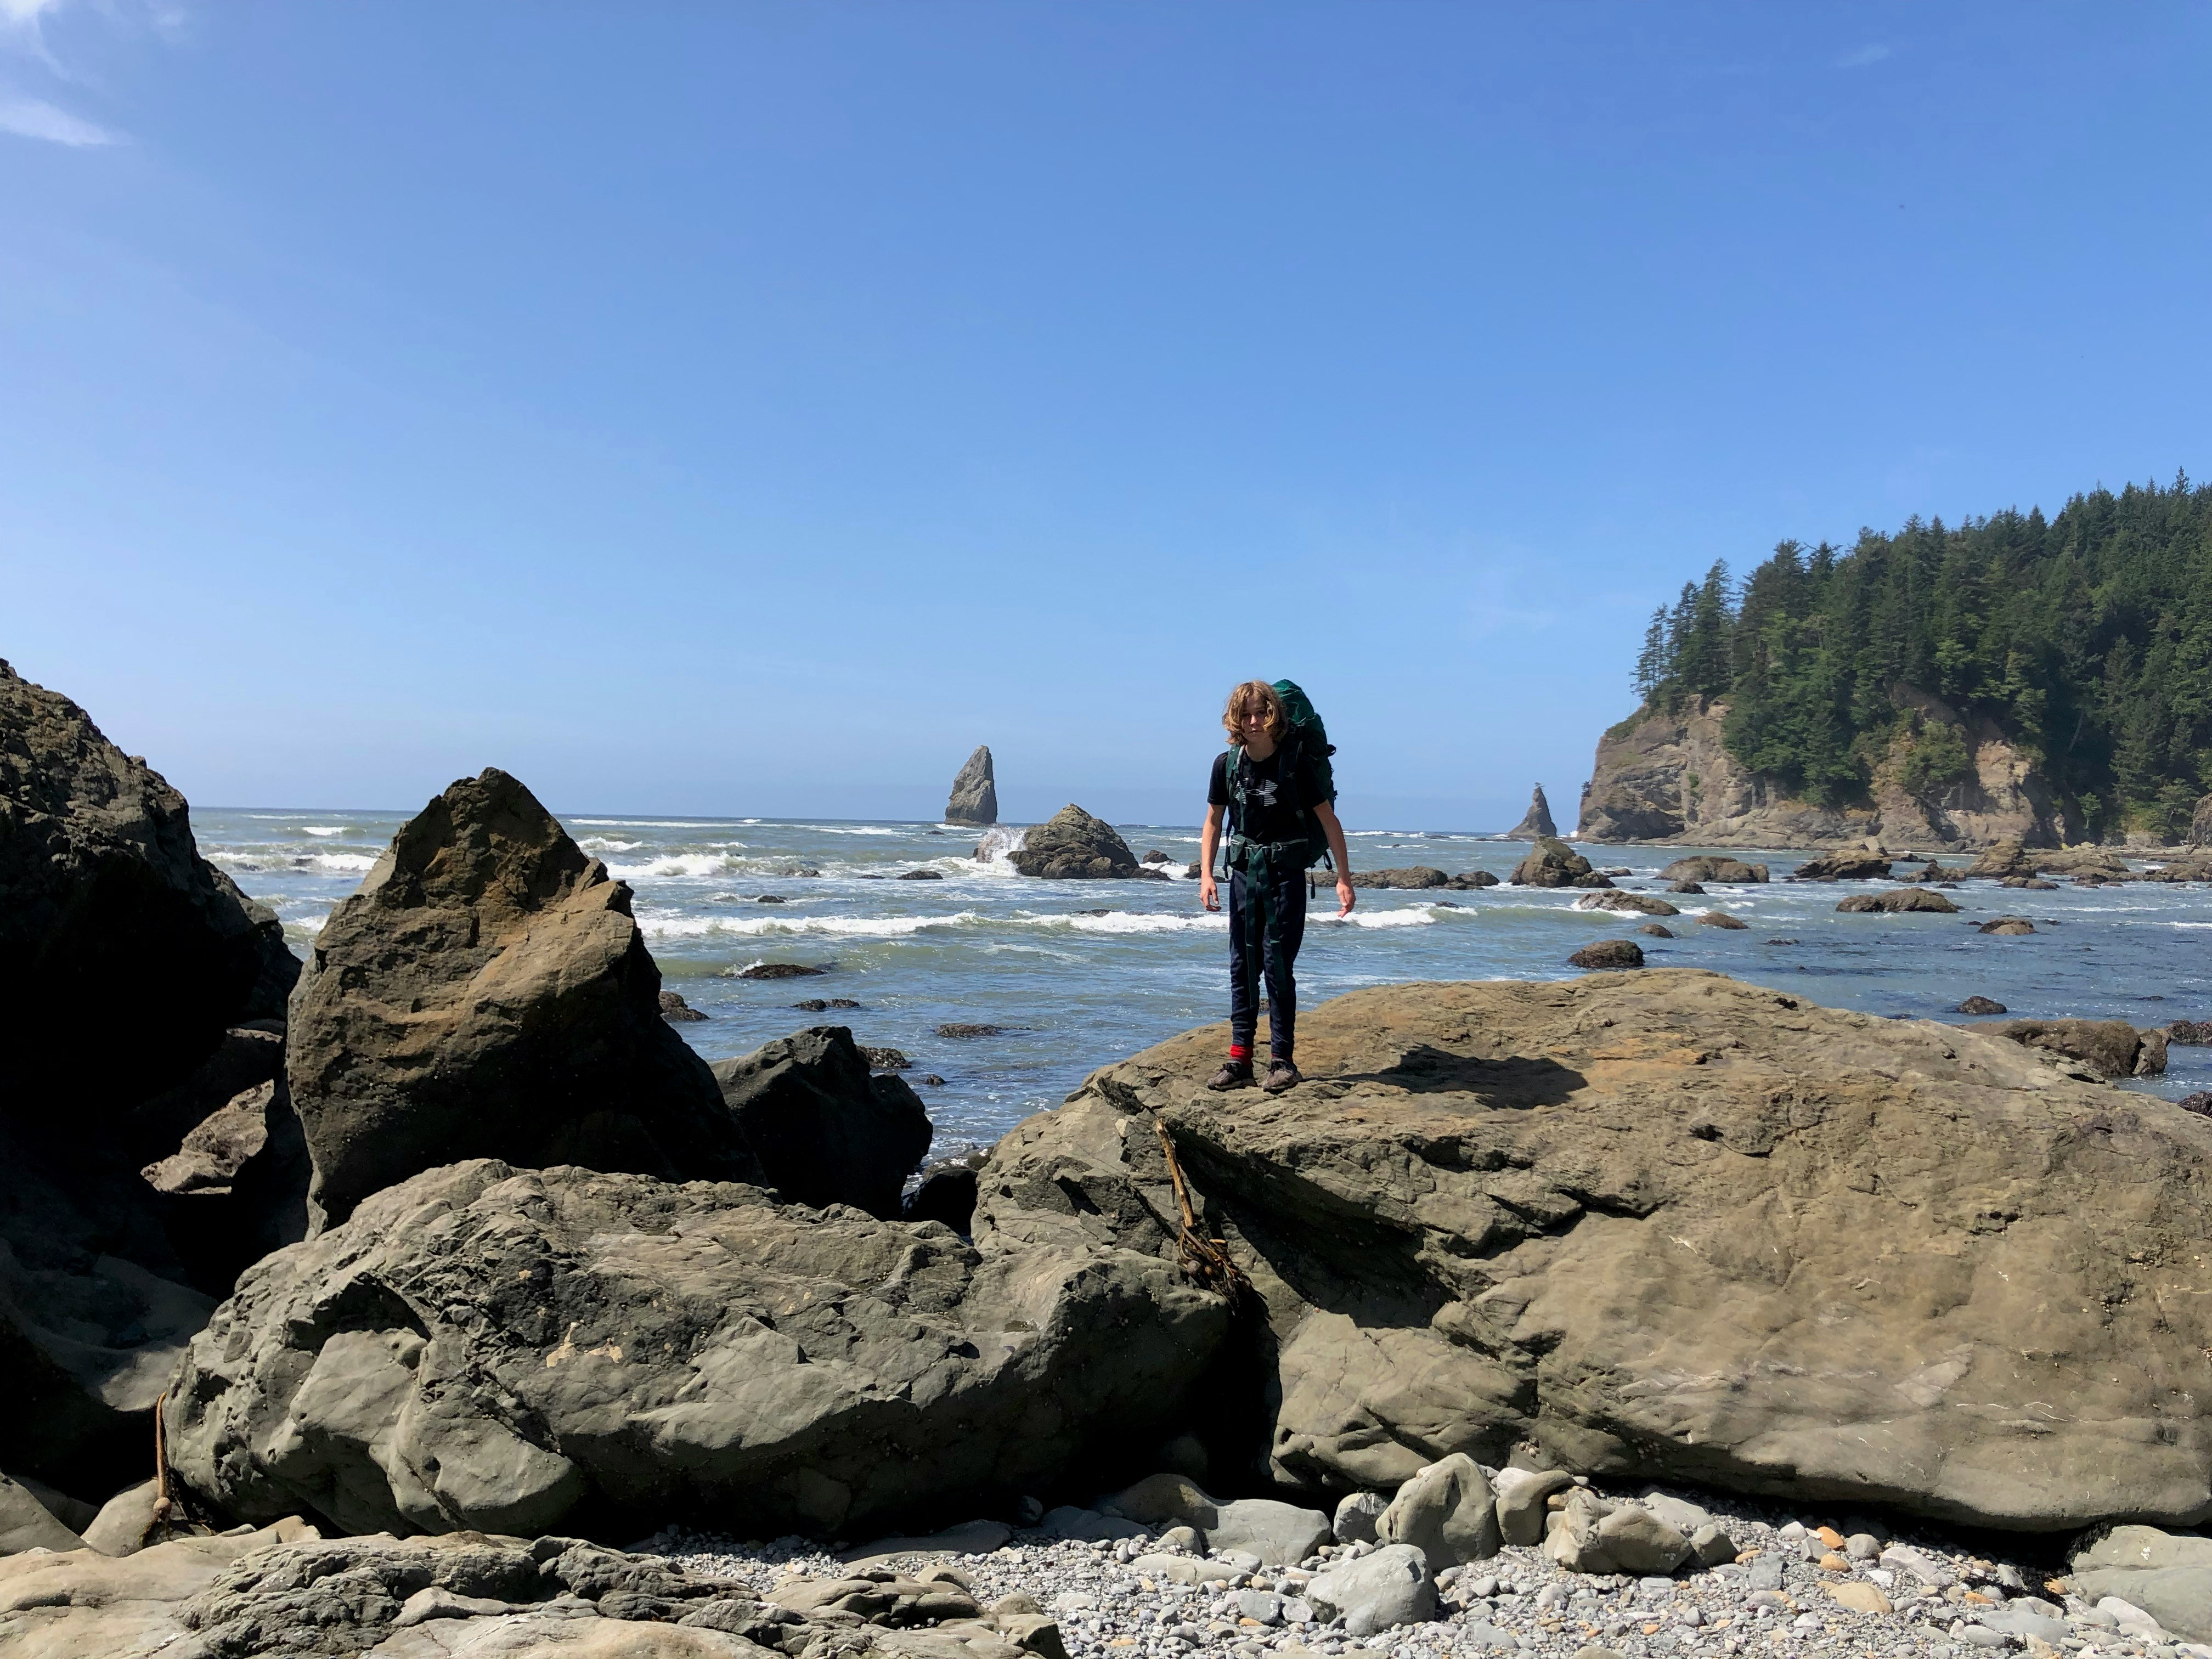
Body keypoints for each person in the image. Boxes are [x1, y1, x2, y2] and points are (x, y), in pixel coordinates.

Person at [1198, 680, 1353, 1093]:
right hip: (1244, 875)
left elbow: (1329, 823)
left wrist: (1343, 879)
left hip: (1285, 876)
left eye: (1262, 714)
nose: (1254, 723)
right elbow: (1214, 820)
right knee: (1242, 966)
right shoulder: (1226, 765)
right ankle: (1239, 1061)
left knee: (1278, 966)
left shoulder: (1296, 762)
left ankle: (1283, 1061)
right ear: (1235, 719)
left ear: (1275, 717)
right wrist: (1207, 874)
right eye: (1246, 715)